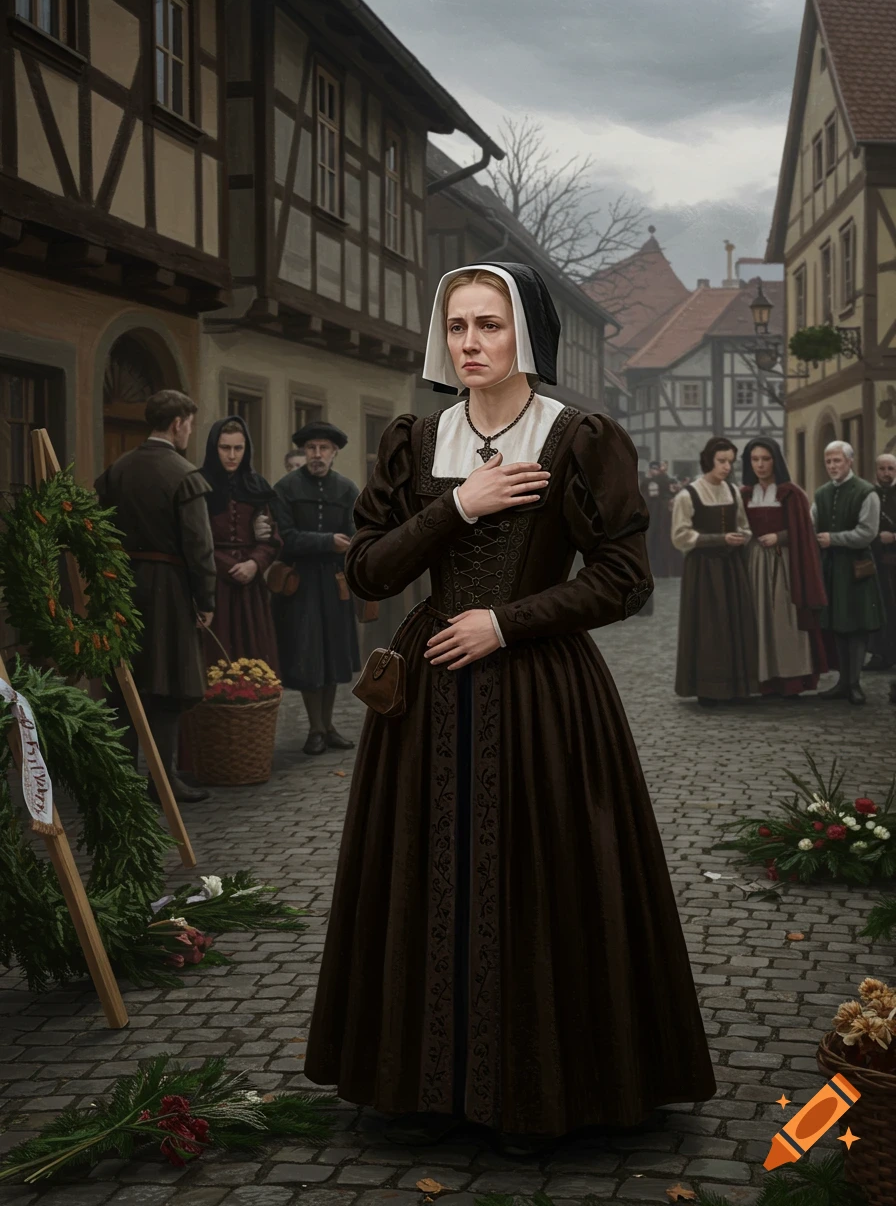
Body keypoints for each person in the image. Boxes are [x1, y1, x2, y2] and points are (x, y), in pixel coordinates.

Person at [303, 264, 715, 1154]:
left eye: (489, 326)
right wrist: (457, 504)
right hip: (425, 703)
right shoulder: (417, 438)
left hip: (540, 696)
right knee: (422, 872)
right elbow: (368, 569)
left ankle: (536, 1091)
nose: (470, 344)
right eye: (457, 328)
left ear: (525, 335)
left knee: (536, 877)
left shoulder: (579, 437)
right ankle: (420, 1085)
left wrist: (505, 621)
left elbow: (626, 578)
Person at [95, 389, 215, 804]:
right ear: (179, 422)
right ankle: (163, 780)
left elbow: (99, 531)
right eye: (189, 424)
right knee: (166, 685)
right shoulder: (183, 474)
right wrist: (207, 599)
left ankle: (124, 779)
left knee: (125, 681)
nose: (189, 431)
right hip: (168, 590)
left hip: (121, 585)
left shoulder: (117, 469)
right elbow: (200, 547)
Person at [271, 422, 360, 755]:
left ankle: (328, 725)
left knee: (333, 656)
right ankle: (316, 729)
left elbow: (356, 533)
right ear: (303, 452)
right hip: (302, 584)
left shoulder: (347, 490)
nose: (317, 455)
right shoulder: (286, 489)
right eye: (311, 448)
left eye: (324, 449)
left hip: (335, 583)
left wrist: (348, 547)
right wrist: (326, 542)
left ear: (335, 453)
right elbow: (285, 538)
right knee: (309, 656)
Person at [672, 436, 758, 705]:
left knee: (735, 622)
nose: (727, 467)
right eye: (722, 461)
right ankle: (708, 690)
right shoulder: (689, 495)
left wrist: (741, 537)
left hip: (732, 568)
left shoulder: (733, 492)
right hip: (703, 570)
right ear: (709, 460)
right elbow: (680, 536)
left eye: (730, 462)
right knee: (709, 627)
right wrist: (718, 540)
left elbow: (744, 526)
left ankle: (736, 687)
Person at [741, 437, 828, 697]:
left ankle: (790, 680)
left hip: (786, 565)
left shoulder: (791, 493)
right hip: (754, 563)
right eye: (755, 459)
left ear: (775, 460)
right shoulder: (745, 493)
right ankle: (763, 679)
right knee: (758, 619)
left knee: (785, 619)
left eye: (765, 459)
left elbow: (804, 532)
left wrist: (780, 537)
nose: (760, 465)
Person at [199, 416, 281, 673]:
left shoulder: (257, 487)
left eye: (238, 448)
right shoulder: (198, 485)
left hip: (250, 588)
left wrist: (255, 564)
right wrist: (226, 565)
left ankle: (250, 709)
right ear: (215, 448)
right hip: (213, 583)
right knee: (215, 655)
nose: (232, 455)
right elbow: (192, 538)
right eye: (225, 448)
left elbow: (271, 538)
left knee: (253, 655)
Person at [812, 440, 883, 704]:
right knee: (838, 625)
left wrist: (834, 539)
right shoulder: (821, 494)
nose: (832, 466)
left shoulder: (866, 492)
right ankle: (842, 682)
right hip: (831, 568)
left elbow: (867, 533)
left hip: (857, 568)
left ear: (849, 461)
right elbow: (811, 523)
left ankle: (854, 684)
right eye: (828, 461)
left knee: (857, 625)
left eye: (837, 461)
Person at [865, 453, 896, 670]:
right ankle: (879, 654)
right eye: (882, 469)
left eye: (891, 469)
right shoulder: (868, 494)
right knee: (878, 607)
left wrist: (893, 537)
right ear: (876, 470)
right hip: (875, 560)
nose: (886, 473)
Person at [641, 460, 678, 577]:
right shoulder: (650, 481)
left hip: (659, 514)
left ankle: (660, 570)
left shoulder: (658, 480)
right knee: (657, 540)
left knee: (657, 539)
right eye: (655, 468)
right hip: (657, 513)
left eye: (659, 468)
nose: (657, 470)